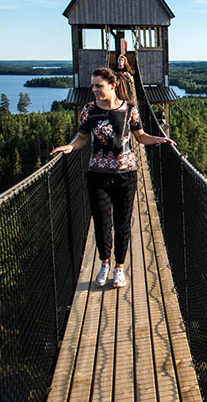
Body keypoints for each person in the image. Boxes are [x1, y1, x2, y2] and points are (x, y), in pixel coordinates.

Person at [51, 64, 175, 288]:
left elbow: (140, 136)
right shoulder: (89, 109)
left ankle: (119, 267)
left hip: (125, 175)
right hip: (97, 175)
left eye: (99, 86)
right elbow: (81, 138)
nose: (95, 90)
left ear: (112, 85)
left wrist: (158, 139)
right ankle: (104, 263)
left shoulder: (129, 109)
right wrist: (70, 147)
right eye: (93, 86)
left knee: (122, 223)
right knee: (101, 223)